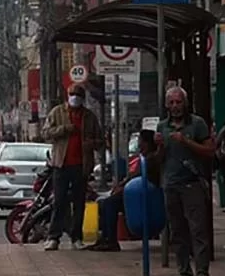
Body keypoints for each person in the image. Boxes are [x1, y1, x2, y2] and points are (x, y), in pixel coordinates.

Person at [155, 86, 215, 276]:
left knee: (198, 230)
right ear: (166, 105)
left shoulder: (197, 124)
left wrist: (186, 141)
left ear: (185, 103)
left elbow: (209, 151)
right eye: (171, 103)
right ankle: (184, 274)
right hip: (171, 184)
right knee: (177, 233)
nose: (175, 106)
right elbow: (159, 159)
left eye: (178, 102)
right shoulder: (163, 126)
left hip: (192, 184)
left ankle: (203, 274)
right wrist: (160, 146)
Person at [41, 85, 102, 251]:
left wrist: (92, 144)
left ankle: (77, 237)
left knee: (79, 203)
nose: (75, 97)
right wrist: (64, 129)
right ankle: (54, 237)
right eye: (72, 94)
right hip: (61, 164)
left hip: (81, 166)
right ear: (67, 96)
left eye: (79, 95)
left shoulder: (89, 117)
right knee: (59, 201)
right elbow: (46, 133)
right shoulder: (57, 112)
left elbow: (101, 140)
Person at [88, 130, 160, 252]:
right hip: (135, 191)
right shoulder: (141, 157)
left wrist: (122, 186)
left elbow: (137, 175)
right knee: (104, 204)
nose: (138, 144)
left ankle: (111, 240)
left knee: (110, 204)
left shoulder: (151, 158)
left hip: (143, 194)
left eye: (140, 141)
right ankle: (104, 238)